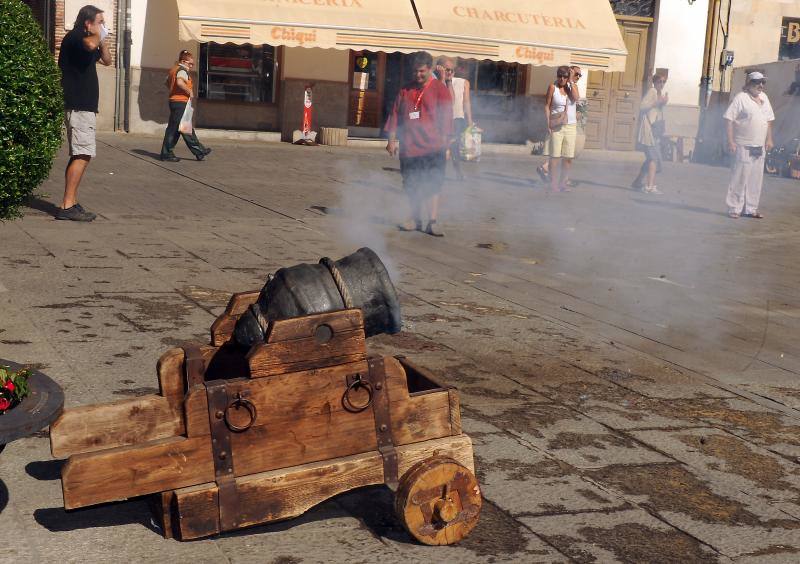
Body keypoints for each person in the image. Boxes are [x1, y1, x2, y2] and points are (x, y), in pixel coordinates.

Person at [385, 52, 453, 237]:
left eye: (422, 71)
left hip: (434, 147)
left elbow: (447, 119)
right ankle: (415, 219)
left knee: (433, 185)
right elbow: (395, 114)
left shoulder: (440, 89)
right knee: (412, 185)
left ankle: (432, 222)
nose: (418, 75)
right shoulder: (405, 90)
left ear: (429, 69)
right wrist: (391, 140)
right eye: (415, 71)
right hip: (409, 148)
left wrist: (446, 146)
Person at [56, 4, 112, 221]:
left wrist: (104, 38)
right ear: (88, 23)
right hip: (78, 104)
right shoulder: (77, 36)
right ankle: (67, 205)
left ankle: (71, 201)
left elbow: (107, 60)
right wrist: (98, 35)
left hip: (85, 106)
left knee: (81, 153)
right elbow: (89, 44)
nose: (103, 26)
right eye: (100, 22)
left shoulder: (91, 39)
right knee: (82, 153)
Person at [723, 71, 775, 219]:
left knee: (755, 179)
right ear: (749, 83)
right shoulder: (741, 98)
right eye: (757, 82)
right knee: (739, 177)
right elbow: (728, 119)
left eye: (763, 82)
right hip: (743, 145)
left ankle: (751, 208)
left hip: (759, 146)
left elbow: (769, 120)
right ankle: (734, 208)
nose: (761, 85)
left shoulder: (764, 98)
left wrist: (769, 139)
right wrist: (731, 141)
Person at [160, 50, 211, 162]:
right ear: (183, 61)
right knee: (179, 129)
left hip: (175, 101)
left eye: (192, 64)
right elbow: (179, 82)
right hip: (180, 102)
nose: (192, 66)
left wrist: (173, 92)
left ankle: (198, 151)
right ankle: (167, 153)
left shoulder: (173, 70)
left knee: (181, 128)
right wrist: (189, 91)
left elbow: (167, 83)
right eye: (190, 63)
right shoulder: (182, 70)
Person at [538, 66, 582, 185]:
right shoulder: (553, 87)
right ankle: (553, 184)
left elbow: (576, 98)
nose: (562, 78)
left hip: (570, 126)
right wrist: (547, 123)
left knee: (568, 157)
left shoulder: (572, 87)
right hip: (557, 125)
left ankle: (563, 182)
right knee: (555, 157)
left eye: (565, 76)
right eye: (560, 76)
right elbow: (547, 105)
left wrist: (571, 82)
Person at [434, 56, 472, 180]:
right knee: (444, 147)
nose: (449, 72)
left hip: (456, 119)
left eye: (452, 70)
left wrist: (470, 122)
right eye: (447, 69)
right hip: (438, 121)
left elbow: (466, 102)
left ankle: (456, 171)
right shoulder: (433, 80)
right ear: (439, 69)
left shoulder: (462, 82)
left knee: (453, 147)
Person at [632, 72, 669, 194]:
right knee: (653, 158)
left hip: (654, 131)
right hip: (648, 130)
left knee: (651, 158)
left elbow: (656, 112)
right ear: (655, 82)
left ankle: (638, 182)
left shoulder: (659, 93)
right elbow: (642, 106)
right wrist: (658, 102)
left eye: (664, 82)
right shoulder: (652, 91)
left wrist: (662, 102)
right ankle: (649, 186)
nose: (662, 84)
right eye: (660, 82)